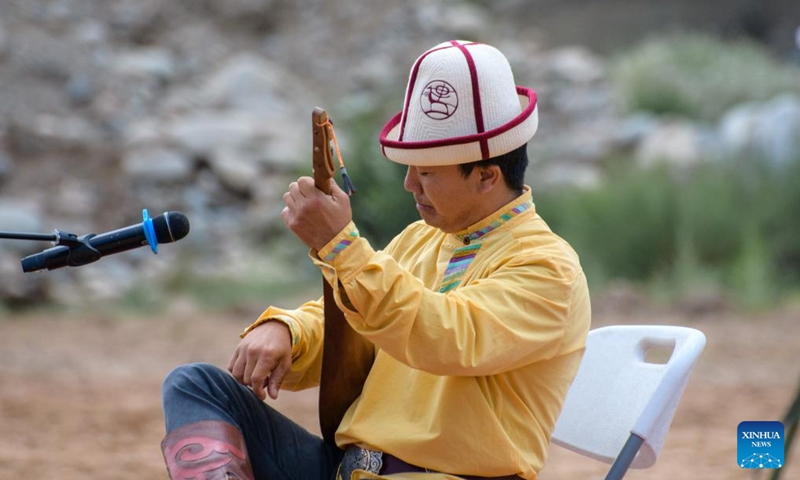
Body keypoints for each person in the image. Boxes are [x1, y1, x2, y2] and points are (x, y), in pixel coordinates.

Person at [160, 40, 591, 480]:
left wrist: (341, 247)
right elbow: (357, 326)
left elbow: (443, 334)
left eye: (425, 172)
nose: (409, 185)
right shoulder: (419, 239)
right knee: (194, 385)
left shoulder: (548, 268)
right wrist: (289, 332)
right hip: (344, 470)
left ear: (486, 176)